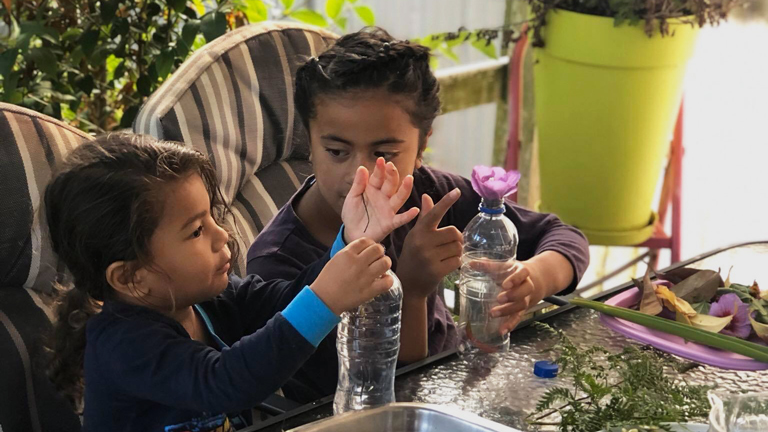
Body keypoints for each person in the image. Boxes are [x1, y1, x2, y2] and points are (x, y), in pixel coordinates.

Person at [246, 27, 590, 402]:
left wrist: (533, 279)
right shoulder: (278, 264)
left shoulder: (427, 193)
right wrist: (411, 288)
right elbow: (379, 390)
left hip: (455, 390)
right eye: (337, 151)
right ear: (308, 142)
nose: (361, 175)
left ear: (422, 145)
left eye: (385, 154)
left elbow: (563, 236)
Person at [45, 133, 418, 432]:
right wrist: (324, 301)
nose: (222, 235)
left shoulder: (209, 299)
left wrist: (351, 241)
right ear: (131, 277)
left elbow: (289, 300)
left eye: (211, 218)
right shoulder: (123, 346)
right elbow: (222, 382)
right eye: (195, 231)